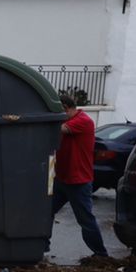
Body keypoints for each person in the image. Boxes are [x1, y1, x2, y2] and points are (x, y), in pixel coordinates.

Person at [53, 88, 110, 258]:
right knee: (45, 214)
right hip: (62, 178)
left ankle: (100, 254)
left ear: (66, 107)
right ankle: (42, 247)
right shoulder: (70, 119)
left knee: (85, 220)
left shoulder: (83, 121)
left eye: (59, 111)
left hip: (78, 181)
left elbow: (61, 129)